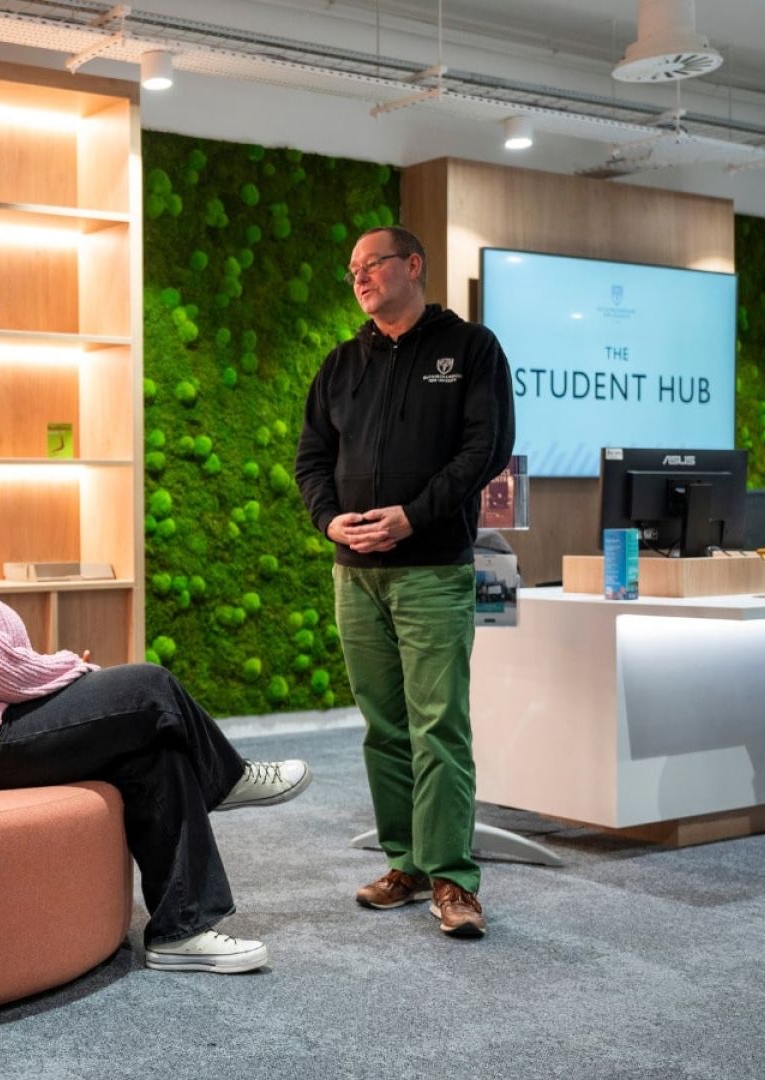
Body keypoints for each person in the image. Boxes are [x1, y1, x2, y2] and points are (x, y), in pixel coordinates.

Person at [0, 462, 312, 973]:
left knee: (156, 754)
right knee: (150, 685)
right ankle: (228, 778)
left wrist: (56, 674)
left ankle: (182, 931)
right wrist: (69, 669)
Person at [294, 226, 515, 939]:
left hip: (432, 571)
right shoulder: (341, 363)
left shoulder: (470, 348)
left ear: (413, 265)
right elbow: (311, 458)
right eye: (352, 269)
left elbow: (486, 449)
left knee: (438, 726)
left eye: (372, 264)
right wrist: (329, 520)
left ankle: (454, 878)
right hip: (356, 576)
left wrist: (413, 516)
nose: (359, 277)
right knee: (385, 728)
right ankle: (406, 864)